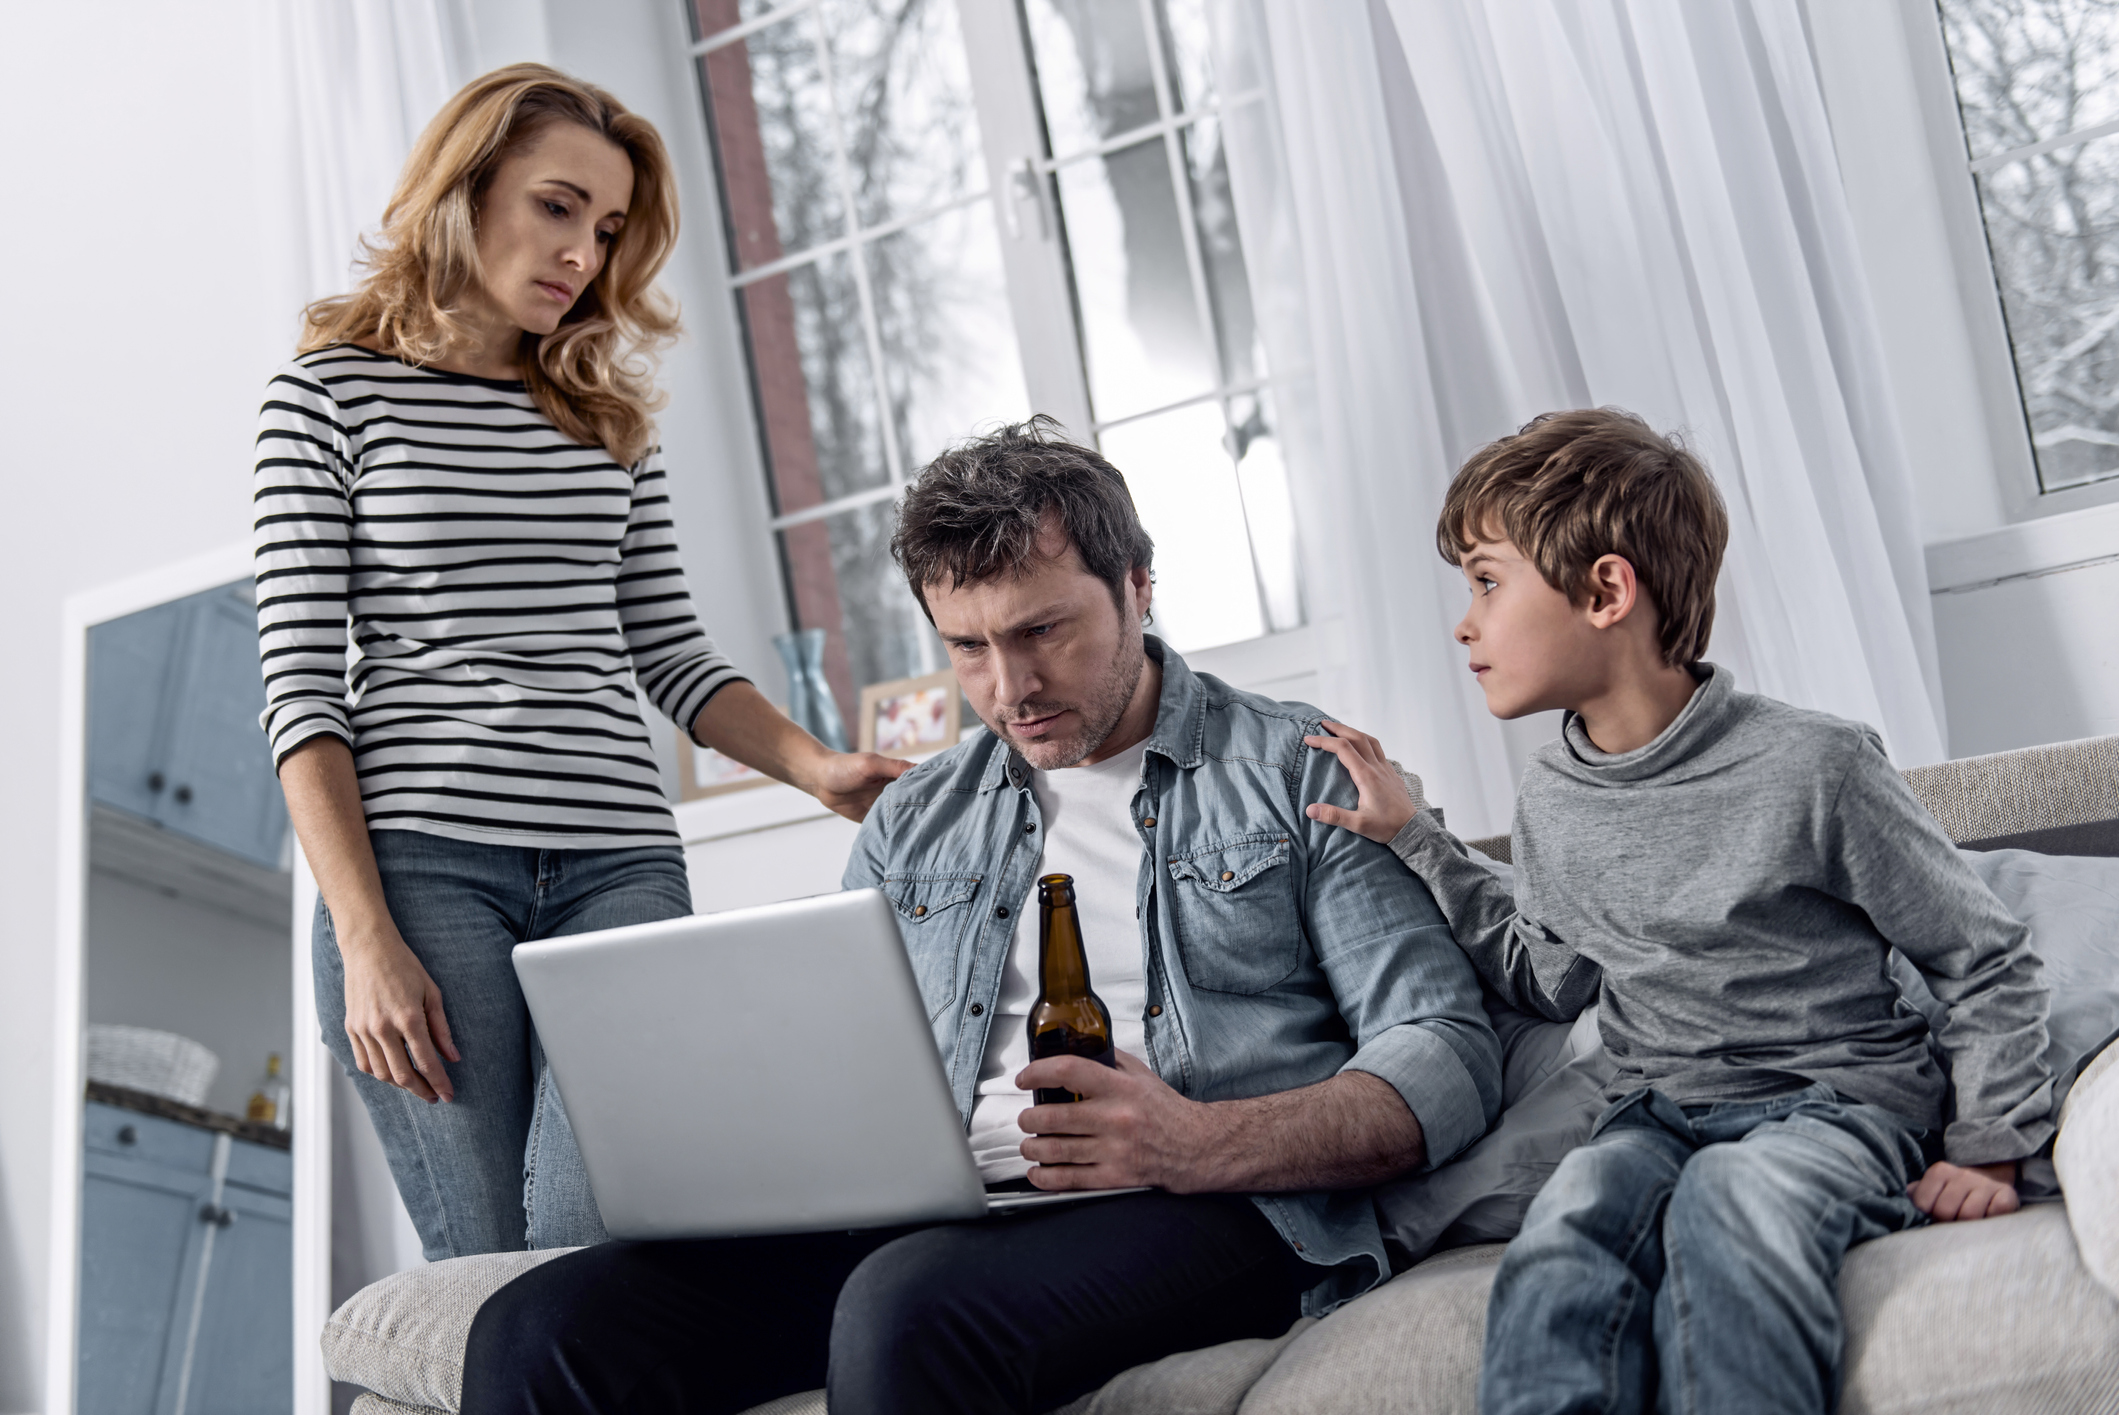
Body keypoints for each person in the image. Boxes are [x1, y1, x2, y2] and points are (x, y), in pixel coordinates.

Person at [460, 417, 1505, 1415]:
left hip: (1207, 1203)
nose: (1009, 688)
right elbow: (835, 1059)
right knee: (538, 1329)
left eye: (1042, 629)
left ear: (1137, 586)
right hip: (939, 1213)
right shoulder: (917, 816)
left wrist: (1195, 1141)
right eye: (966, 648)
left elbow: (1445, 1051)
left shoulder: (1297, 767)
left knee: (910, 1304)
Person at [255, 64, 906, 1259]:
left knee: (617, 1237)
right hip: (425, 873)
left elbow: (669, 652)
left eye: (606, 230)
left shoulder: (605, 417)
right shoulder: (326, 398)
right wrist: (364, 939)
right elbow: (299, 698)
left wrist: (816, 768)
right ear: (468, 188)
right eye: (558, 207)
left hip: (621, 867)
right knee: (504, 1262)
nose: (582, 255)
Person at [1304, 408, 2053, 1414]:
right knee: (1566, 1220)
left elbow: (1981, 954)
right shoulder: (1554, 796)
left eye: (1487, 579)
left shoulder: (1815, 765)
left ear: (1606, 589)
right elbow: (1556, 975)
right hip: (1654, 1111)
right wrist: (1417, 840)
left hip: (1834, 1105)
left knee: (1731, 1202)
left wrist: (1991, 1141)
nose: (1463, 620)